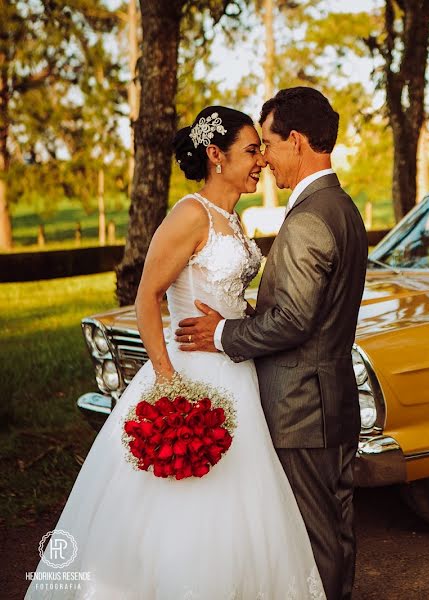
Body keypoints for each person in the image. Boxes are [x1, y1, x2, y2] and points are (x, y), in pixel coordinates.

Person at [25, 106, 326, 599]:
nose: (261, 161)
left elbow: (226, 295)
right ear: (215, 156)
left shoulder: (234, 218)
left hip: (238, 373)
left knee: (243, 504)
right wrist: (166, 378)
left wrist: (245, 320)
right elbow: (147, 295)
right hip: (191, 374)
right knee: (188, 499)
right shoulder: (190, 213)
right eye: (251, 151)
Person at [175, 87, 368, 600]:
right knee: (337, 530)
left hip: (302, 407)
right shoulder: (342, 207)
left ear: (297, 142)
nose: (265, 158)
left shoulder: (307, 218)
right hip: (333, 400)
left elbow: (295, 320)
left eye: (269, 144)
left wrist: (220, 332)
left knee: (314, 539)